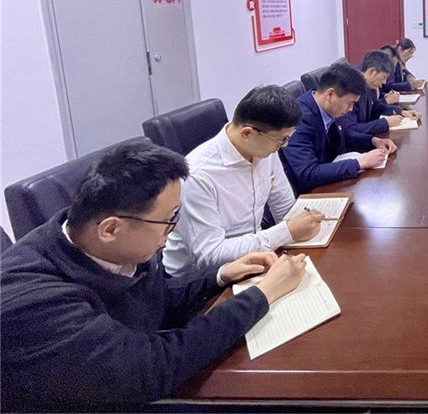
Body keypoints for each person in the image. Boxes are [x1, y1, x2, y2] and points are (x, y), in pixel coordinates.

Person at [0, 139, 307, 412]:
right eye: (169, 219)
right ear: (110, 229)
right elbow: (152, 368)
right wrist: (262, 295)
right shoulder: (35, 305)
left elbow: (154, 302)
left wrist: (219, 276)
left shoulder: (107, 245)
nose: (174, 229)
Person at [163, 85, 323, 275]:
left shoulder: (264, 150)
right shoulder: (198, 175)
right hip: (201, 279)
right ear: (247, 133)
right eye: (282, 139)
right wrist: (287, 231)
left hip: (254, 255)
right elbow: (209, 256)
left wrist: (304, 223)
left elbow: (285, 208)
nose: (285, 145)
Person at [281, 63, 397, 192]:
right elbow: (308, 173)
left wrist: (373, 141)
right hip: (309, 193)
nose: (351, 109)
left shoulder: (327, 107)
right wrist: (359, 163)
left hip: (329, 181)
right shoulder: (299, 119)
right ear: (330, 94)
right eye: (350, 103)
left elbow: (343, 134)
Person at [339, 50, 419, 136]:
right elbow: (350, 129)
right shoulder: (350, 90)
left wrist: (402, 112)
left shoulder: (369, 86)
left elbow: (377, 107)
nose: (384, 82)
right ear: (372, 71)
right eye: (383, 77)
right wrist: (385, 123)